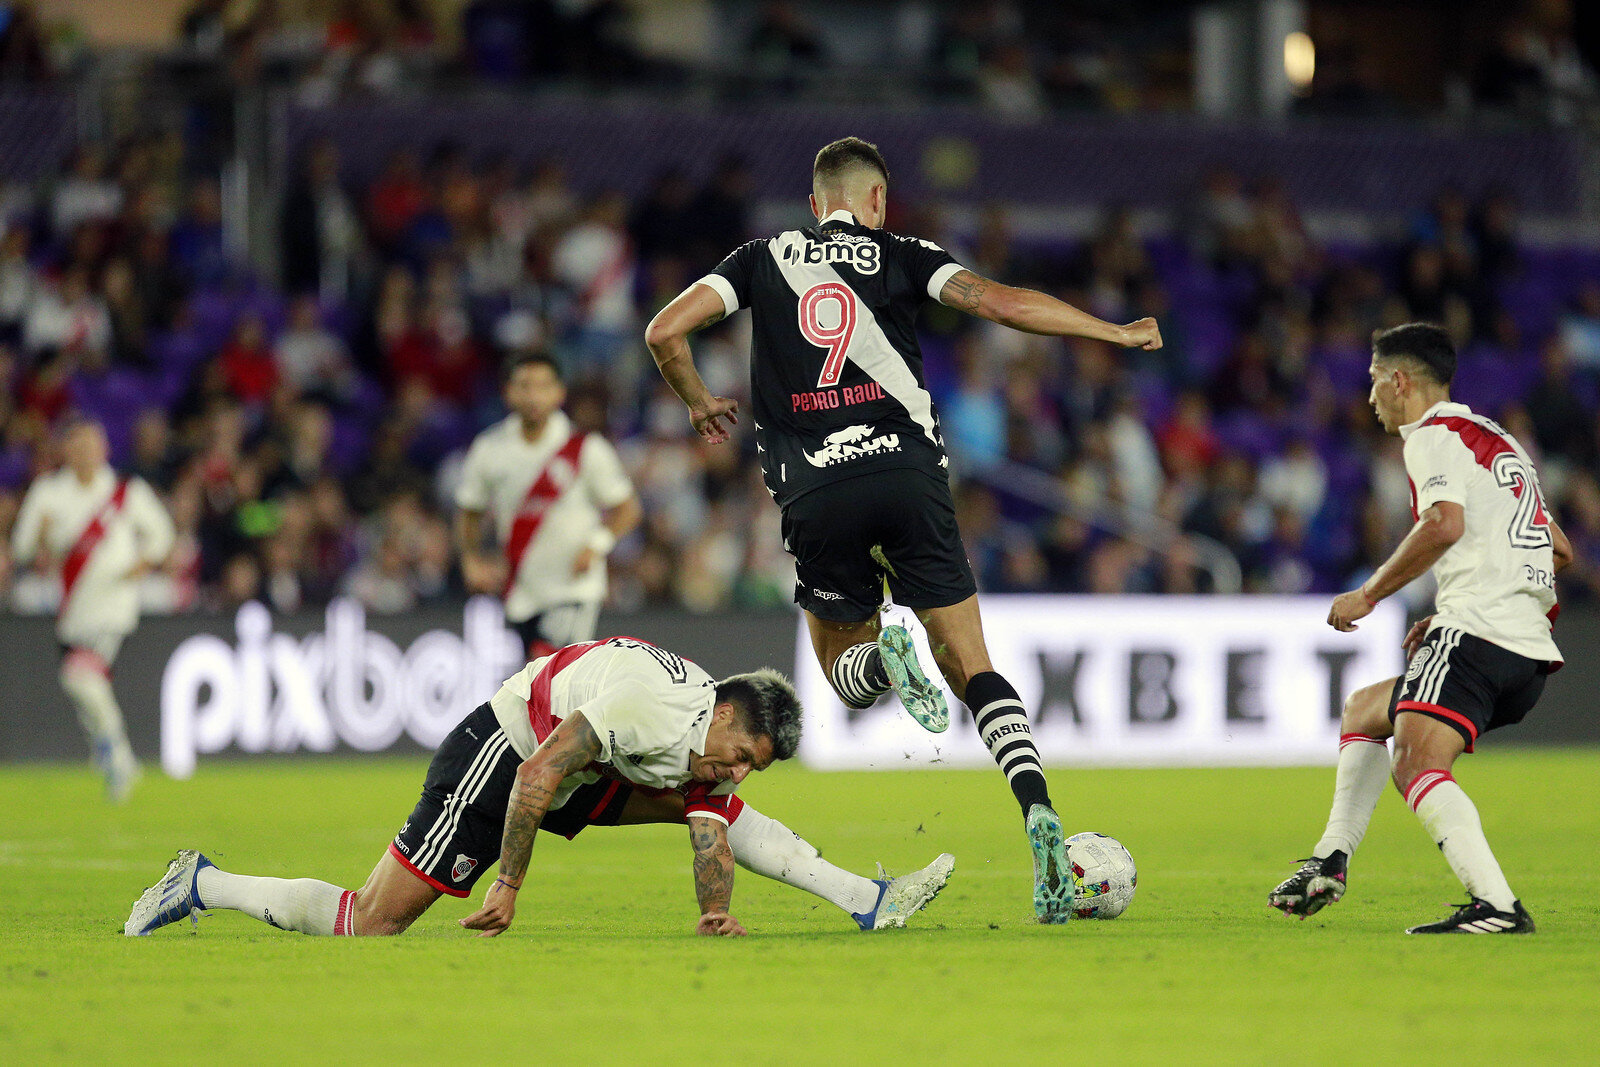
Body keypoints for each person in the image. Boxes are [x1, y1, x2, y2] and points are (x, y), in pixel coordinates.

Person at [643, 136, 1162, 923]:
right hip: (907, 474)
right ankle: (1038, 812)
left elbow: (663, 332)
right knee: (973, 664)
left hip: (817, 486)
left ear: (815, 204)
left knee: (844, 668)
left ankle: (884, 665)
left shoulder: (757, 257)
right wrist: (1112, 333)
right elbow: (999, 301)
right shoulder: (904, 251)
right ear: (878, 201)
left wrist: (695, 397)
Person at [125, 636, 954, 937]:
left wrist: (712, 910)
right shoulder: (652, 710)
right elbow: (535, 773)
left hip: (583, 773)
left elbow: (709, 823)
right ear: (726, 708)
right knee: (372, 921)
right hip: (506, 751)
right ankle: (200, 881)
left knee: (725, 812)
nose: (736, 767)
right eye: (742, 751)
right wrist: (510, 882)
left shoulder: (701, 736)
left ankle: (865, 900)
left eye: (751, 764)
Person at [1269, 323, 1572, 934]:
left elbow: (1443, 524)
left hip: (1479, 635)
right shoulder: (1498, 441)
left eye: (1375, 382)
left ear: (1400, 380)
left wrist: (1368, 594)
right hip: (1527, 650)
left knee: (1415, 763)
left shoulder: (1431, 437)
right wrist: (1468, 594)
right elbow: (1559, 548)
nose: (1371, 397)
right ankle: (1330, 860)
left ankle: (1497, 906)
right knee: (1364, 710)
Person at [9, 419, 175, 801]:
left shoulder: (124, 492)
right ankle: (106, 750)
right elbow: (21, 549)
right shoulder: (48, 493)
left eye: (92, 446)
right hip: (72, 610)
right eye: (77, 446)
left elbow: (162, 533)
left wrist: (143, 564)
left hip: (114, 603)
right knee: (85, 684)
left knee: (79, 676)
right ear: (66, 451)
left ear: (105, 451)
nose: (85, 453)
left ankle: (119, 755)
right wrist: (39, 536)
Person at [456, 354, 642, 660]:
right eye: (524, 386)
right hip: (521, 590)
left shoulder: (586, 449)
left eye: (543, 386)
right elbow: (469, 508)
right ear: (507, 392)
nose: (534, 396)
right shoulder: (490, 449)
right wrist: (471, 559)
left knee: (547, 673)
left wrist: (596, 545)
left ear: (559, 393)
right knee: (535, 688)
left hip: (572, 590)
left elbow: (627, 508)